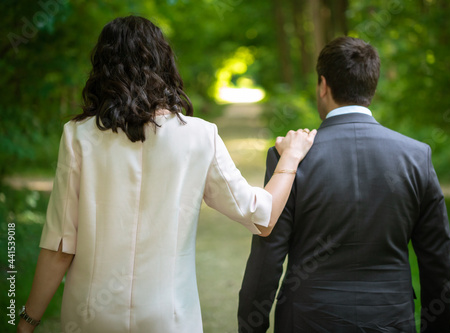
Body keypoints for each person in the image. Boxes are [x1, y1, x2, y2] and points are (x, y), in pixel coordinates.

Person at [17, 16, 316, 333]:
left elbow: (60, 246)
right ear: (164, 64)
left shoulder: (78, 136)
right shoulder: (200, 135)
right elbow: (261, 217)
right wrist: (291, 159)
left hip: (92, 316)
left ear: (102, 68)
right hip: (170, 317)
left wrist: (25, 321)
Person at [238, 37, 450, 333]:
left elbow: (267, 260)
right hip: (390, 319)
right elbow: (437, 265)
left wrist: (251, 326)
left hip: (307, 320)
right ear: (371, 88)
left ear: (323, 85)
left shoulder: (291, 158)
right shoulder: (417, 156)